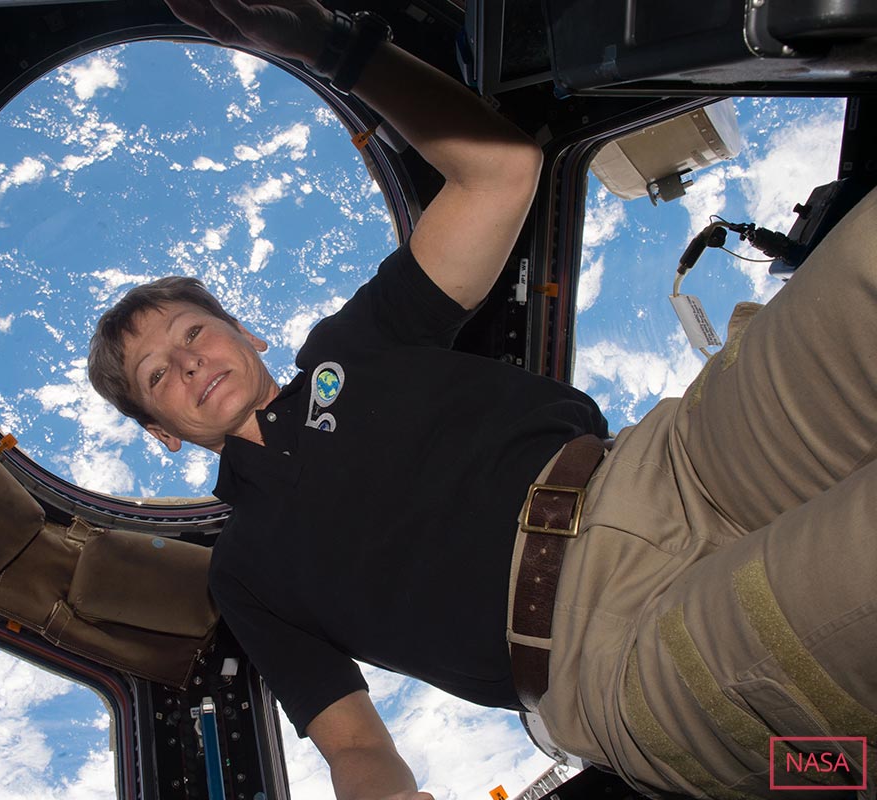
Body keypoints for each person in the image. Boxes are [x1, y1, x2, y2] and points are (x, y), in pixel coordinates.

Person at [87, 1, 877, 798]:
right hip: (608, 655)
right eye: (158, 376)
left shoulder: (352, 346)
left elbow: (500, 171)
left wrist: (326, 43)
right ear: (162, 433)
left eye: (194, 332)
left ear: (247, 333)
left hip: (677, 463)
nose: (188, 364)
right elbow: (356, 746)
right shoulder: (245, 571)